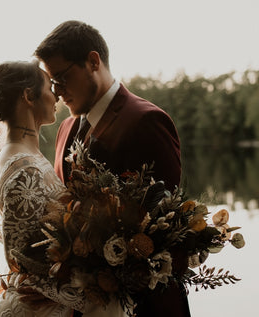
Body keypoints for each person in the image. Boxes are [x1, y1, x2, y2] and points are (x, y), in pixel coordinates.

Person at [34, 21, 189, 317]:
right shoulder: (66, 127)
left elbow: (164, 232)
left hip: (145, 306)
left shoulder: (146, 122)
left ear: (93, 61)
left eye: (62, 78)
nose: (57, 91)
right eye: (52, 83)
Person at [0, 60, 126, 316]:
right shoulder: (24, 167)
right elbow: (25, 262)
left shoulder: (21, 154)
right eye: (49, 86)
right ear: (28, 96)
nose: (56, 93)